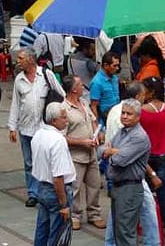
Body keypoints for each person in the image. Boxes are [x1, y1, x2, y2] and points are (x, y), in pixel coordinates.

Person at [9, 47, 65, 207]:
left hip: (43, 128)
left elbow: (61, 94)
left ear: (30, 59)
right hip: (25, 127)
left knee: (44, 161)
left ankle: (46, 191)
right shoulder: (19, 79)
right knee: (29, 162)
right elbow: (15, 104)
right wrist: (12, 127)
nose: (18, 62)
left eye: (20, 58)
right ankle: (33, 193)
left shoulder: (46, 75)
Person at [102, 98, 151, 246]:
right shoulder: (122, 132)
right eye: (123, 113)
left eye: (129, 114)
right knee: (118, 231)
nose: (124, 116)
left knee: (125, 233)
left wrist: (111, 152)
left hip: (129, 188)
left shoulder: (139, 137)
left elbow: (120, 160)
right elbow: (102, 150)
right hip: (118, 186)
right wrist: (112, 151)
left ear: (137, 117)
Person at [61, 74, 103, 231]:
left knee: (94, 184)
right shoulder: (63, 109)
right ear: (73, 89)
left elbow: (92, 119)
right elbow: (62, 137)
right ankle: (75, 215)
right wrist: (82, 142)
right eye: (79, 85)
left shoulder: (83, 102)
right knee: (75, 188)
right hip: (76, 156)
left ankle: (94, 214)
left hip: (91, 153)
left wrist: (97, 132)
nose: (83, 87)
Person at [30, 102, 76, 245]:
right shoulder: (58, 140)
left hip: (41, 188)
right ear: (54, 120)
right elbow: (58, 177)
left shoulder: (38, 134)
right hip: (55, 191)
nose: (66, 120)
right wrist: (63, 204)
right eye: (64, 117)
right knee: (57, 234)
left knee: (42, 229)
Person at [140, 76, 165, 245]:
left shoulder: (142, 111)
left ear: (151, 91)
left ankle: (148, 232)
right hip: (163, 156)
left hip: (146, 159)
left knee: (144, 197)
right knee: (164, 199)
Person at [89, 51, 121, 124]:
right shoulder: (97, 82)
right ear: (106, 65)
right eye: (114, 66)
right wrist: (97, 127)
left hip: (116, 117)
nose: (117, 68)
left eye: (118, 65)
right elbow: (94, 107)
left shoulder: (115, 78)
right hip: (104, 121)